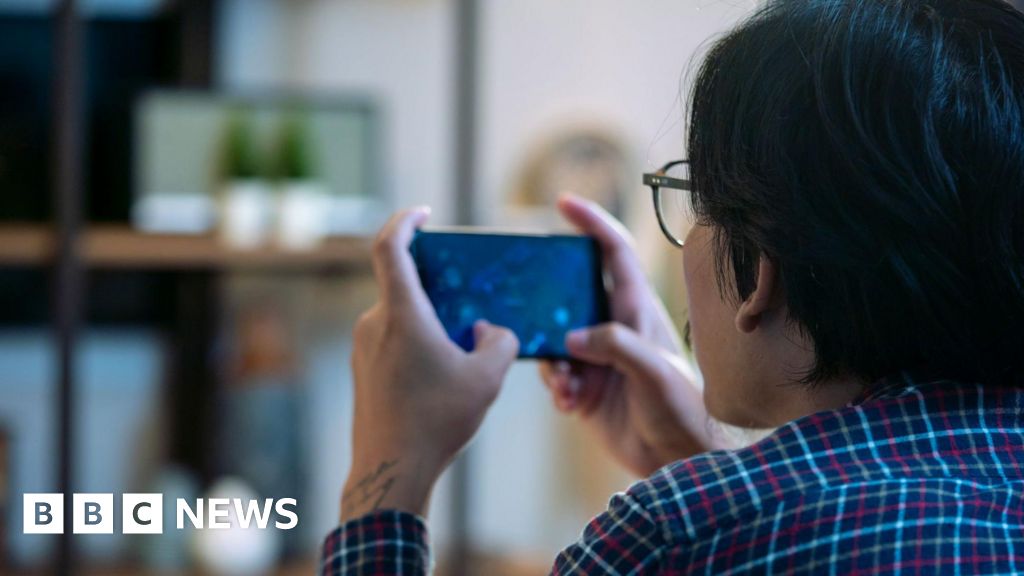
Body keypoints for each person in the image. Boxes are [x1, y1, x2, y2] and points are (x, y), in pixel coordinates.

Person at [321, 0, 1024, 573]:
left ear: (760, 273)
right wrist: (695, 455)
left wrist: (387, 475)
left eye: (694, 204)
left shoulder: (670, 537)